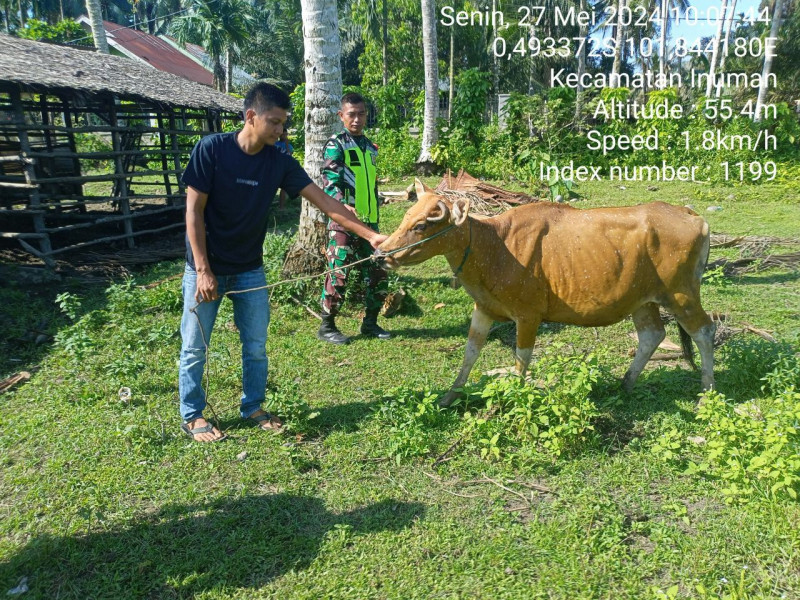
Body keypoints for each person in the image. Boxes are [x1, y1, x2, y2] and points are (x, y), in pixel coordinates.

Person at [179, 83, 387, 443]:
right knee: (196, 345)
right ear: (250, 117)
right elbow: (193, 212)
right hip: (206, 266)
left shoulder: (279, 162)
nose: (281, 131)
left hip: (249, 268)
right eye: (274, 122)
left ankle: (254, 406)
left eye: (284, 123)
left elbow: (326, 203)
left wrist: (371, 236)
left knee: (256, 345)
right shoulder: (211, 150)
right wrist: (202, 270)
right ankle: (192, 415)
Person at [317, 92, 391, 345]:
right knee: (340, 272)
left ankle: (370, 323)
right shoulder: (335, 145)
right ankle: (327, 326)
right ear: (341, 116)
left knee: (380, 270)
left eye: (361, 113)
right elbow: (330, 183)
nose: (356, 119)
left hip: (370, 223)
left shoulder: (371, 147)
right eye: (351, 114)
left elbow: (369, 185)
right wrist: (344, 205)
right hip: (343, 222)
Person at [274, 131, 294, 209]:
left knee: (283, 189)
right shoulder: (275, 143)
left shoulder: (289, 146)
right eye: (283, 134)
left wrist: (286, 145)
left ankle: (281, 207)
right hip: (276, 168)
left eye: (286, 134)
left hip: (285, 169)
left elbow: (289, 156)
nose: (284, 136)